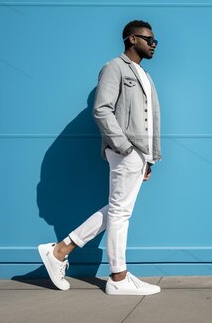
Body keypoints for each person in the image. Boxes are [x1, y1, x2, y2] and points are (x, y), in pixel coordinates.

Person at [38, 20, 162, 296]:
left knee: (118, 209)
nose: (154, 44)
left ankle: (60, 251)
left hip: (140, 155)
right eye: (149, 39)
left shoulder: (145, 75)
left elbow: (151, 119)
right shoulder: (114, 67)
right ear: (131, 39)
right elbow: (102, 109)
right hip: (125, 152)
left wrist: (150, 158)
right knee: (120, 212)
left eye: (155, 41)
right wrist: (125, 148)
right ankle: (118, 277)